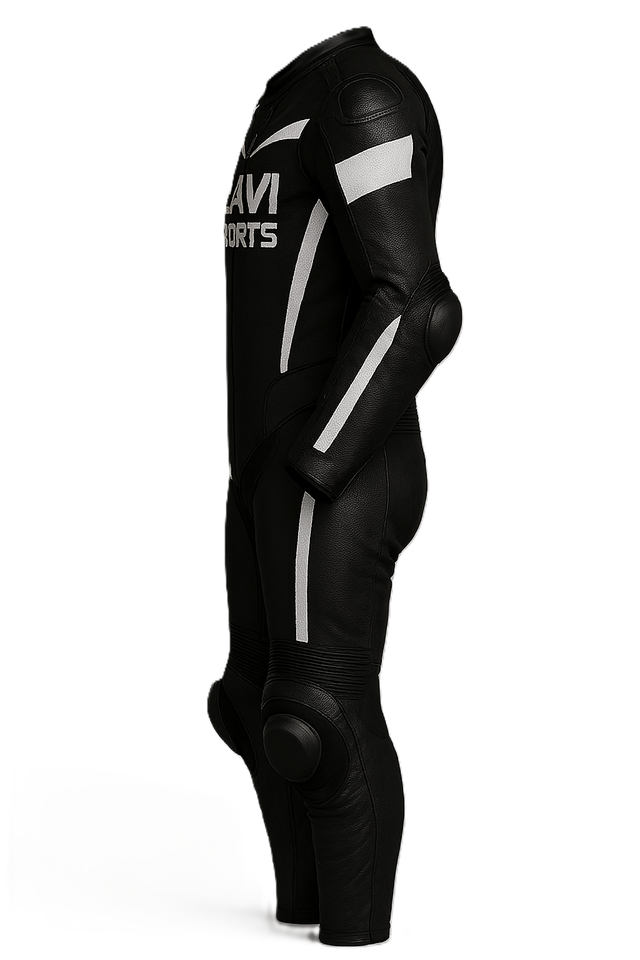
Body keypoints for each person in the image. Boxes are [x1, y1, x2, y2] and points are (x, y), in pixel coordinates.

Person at [208, 25, 462, 946]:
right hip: (264, 467)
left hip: (341, 466)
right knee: (251, 705)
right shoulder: (283, 102)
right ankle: (297, 920)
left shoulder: (363, 96)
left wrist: (318, 460)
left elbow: (418, 305)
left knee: (312, 715)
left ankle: (357, 936)